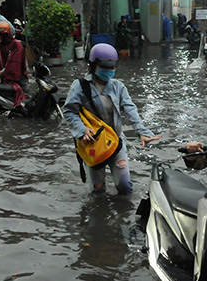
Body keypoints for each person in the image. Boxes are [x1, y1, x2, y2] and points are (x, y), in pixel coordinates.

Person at [63, 43, 161, 195]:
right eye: (104, 67)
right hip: (93, 143)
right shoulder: (80, 86)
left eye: (112, 68)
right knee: (98, 190)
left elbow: (130, 109)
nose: (109, 71)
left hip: (115, 142)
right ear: (93, 65)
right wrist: (82, 130)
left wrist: (142, 131)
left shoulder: (118, 87)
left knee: (124, 185)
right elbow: (70, 111)